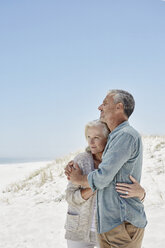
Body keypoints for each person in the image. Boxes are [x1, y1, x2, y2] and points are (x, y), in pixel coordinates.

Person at [65, 89, 147, 248]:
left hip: (121, 223)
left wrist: (79, 179)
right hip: (107, 227)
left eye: (105, 103)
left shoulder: (125, 136)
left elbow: (103, 178)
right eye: (89, 137)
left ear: (119, 107)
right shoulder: (115, 139)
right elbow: (117, 180)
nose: (99, 107)